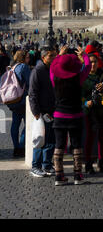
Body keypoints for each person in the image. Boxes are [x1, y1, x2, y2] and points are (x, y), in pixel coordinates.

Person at [50, 46, 91, 186]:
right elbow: (88, 66)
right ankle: (78, 175)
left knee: (59, 145)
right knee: (76, 145)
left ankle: (58, 176)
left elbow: (52, 68)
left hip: (59, 115)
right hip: (75, 115)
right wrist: (84, 55)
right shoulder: (78, 78)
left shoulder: (55, 78)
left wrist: (59, 56)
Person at [82, 53, 103, 174]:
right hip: (90, 110)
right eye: (90, 62)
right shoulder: (83, 75)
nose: (93, 64)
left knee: (102, 137)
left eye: (95, 62)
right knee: (89, 138)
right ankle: (88, 163)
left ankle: (101, 162)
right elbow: (78, 93)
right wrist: (86, 102)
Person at [29, 47, 57, 177]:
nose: (53, 58)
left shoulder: (51, 69)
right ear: (43, 57)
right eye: (50, 56)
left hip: (51, 110)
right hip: (41, 111)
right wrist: (36, 112)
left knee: (51, 139)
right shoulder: (38, 71)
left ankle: (47, 164)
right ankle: (35, 166)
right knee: (40, 139)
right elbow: (32, 93)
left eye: (54, 56)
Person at [9, 50, 31, 158]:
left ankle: (16, 147)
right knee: (28, 125)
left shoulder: (13, 67)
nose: (29, 59)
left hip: (13, 99)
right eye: (27, 57)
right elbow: (30, 82)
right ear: (23, 58)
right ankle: (21, 147)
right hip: (22, 100)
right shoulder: (24, 67)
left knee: (15, 124)